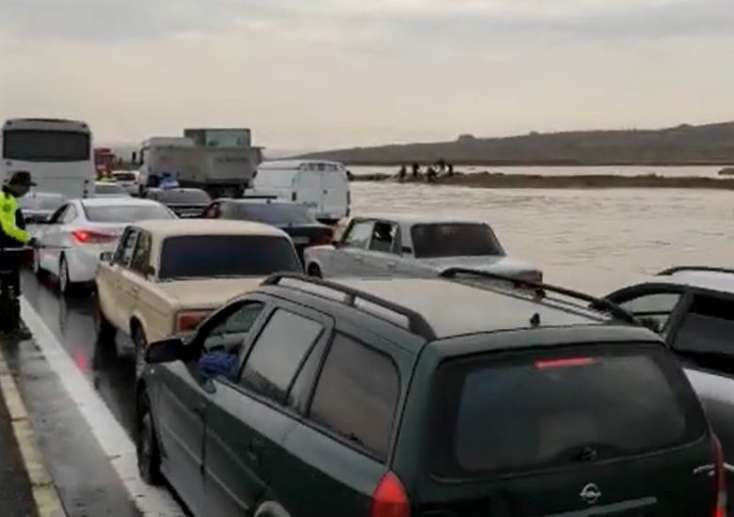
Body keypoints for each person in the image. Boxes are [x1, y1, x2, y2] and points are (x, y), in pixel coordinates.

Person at [0, 171, 38, 339]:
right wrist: (29, 239)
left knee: (6, 289)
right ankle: (11, 328)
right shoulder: (6, 200)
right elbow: (8, 228)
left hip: (7, 250)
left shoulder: (7, 198)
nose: (27, 191)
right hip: (5, 252)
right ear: (18, 185)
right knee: (10, 290)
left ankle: (7, 325)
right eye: (27, 187)